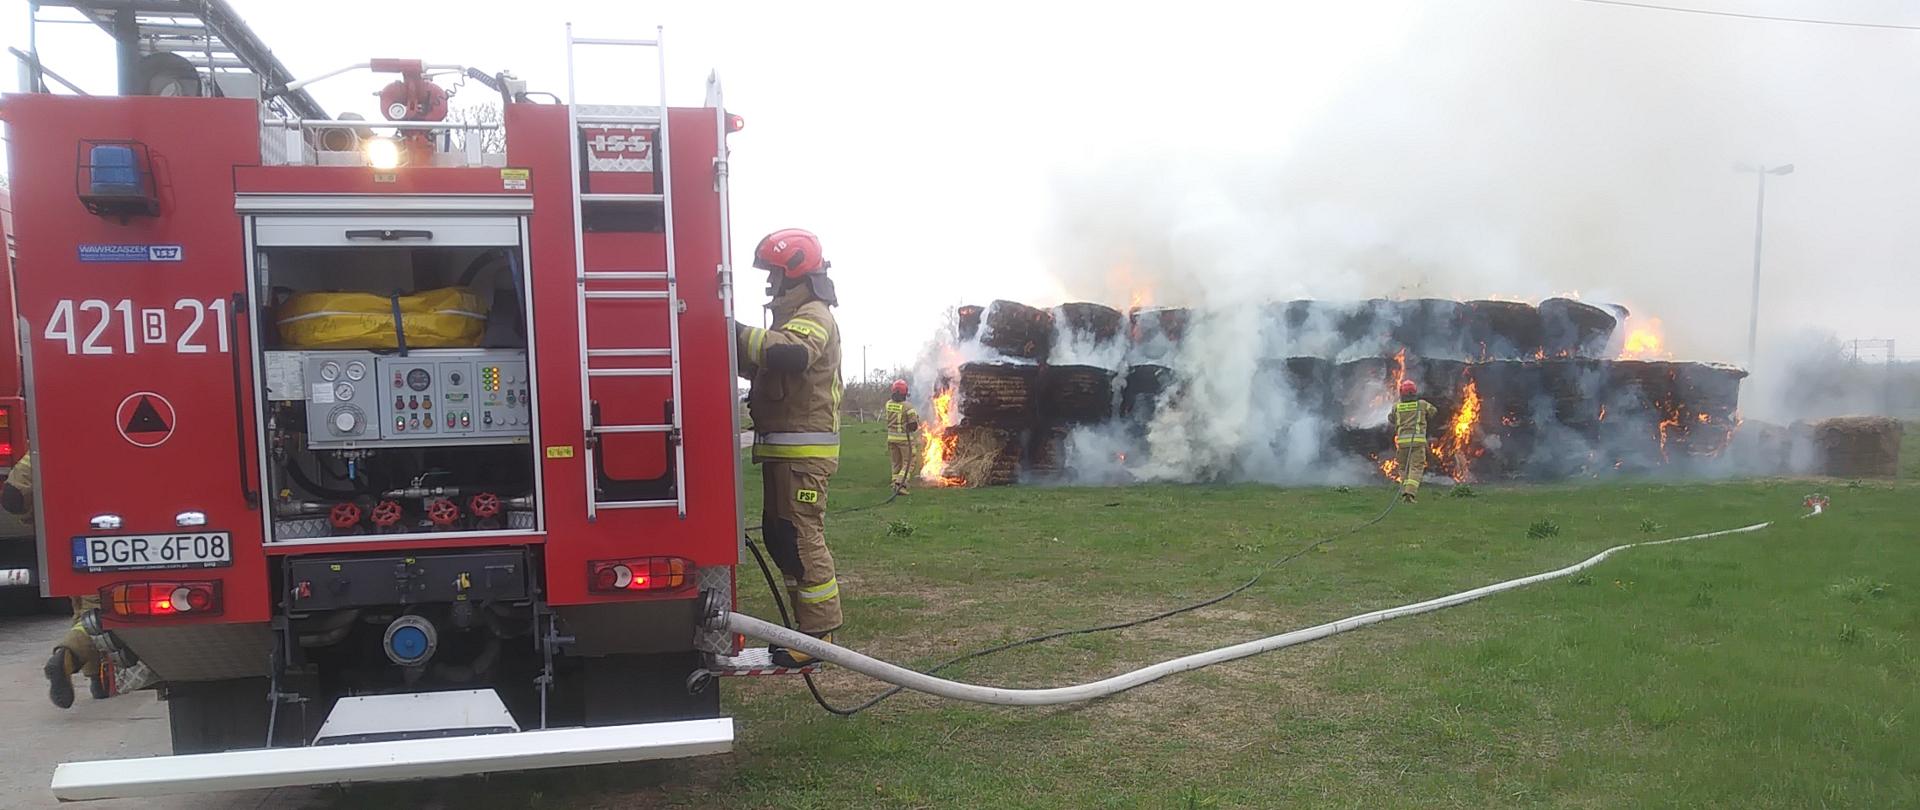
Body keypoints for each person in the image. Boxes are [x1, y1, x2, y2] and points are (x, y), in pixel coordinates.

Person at [734, 228, 844, 667]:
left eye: (773, 274)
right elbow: (762, 357)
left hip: (804, 457)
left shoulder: (813, 314)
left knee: (802, 540)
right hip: (783, 453)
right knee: (783, 540)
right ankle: (807, 630)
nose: (768, 284)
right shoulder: (787, 319)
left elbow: (792, 355)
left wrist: (735, 331)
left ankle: (820, 637)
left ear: (794, 271)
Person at [2, 453, 106, 707]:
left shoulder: (43, 444)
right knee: (103, 608)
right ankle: (68, 655)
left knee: (83, 605)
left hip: (59, 531)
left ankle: (98, 679)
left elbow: (13, 495)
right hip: (102, 528)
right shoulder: (100, 437)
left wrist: (37, 516)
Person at [1391, 379, 1437, 503]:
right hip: (1417, 442)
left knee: (1403, 468)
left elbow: (1391, 419)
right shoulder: (1422, 404)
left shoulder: (1397, 406)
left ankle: (1404, 491)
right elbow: (1434, 411)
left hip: (1402, 443)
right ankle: (1410, 493)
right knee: (1416, 468)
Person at [883, 379, 921, 495]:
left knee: (896, 462)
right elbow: (913, 426)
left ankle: (895, 482)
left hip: (891, 438)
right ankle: (901, 484)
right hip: (904, 440)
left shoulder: (888, 404)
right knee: (909, 461)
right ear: (905, 392)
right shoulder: (908, 407)